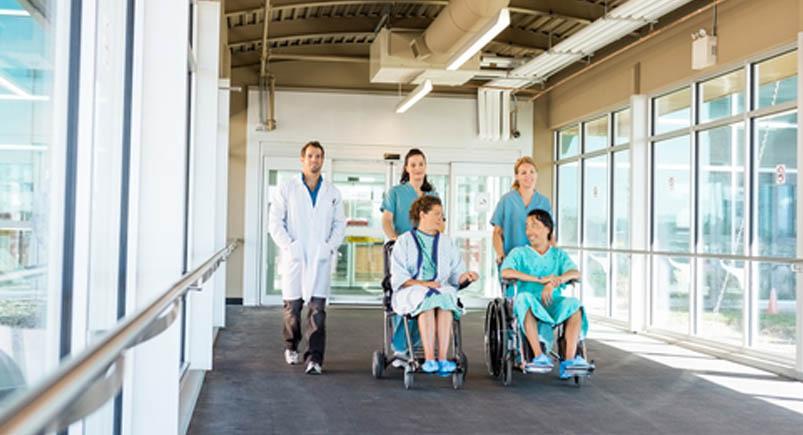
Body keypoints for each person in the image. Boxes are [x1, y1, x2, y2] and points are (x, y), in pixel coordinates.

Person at [268, 141, 346, 375]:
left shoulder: (332, 192)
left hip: (319, 259)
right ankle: (291, 345)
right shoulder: (287, 188)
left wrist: (328, 247)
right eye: (310, 156)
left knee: (318, 312)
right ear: (302, 159)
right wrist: (289, 246)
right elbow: (275, 223)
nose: (315, 160)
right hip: (295, 256)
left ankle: (314, 358)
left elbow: (339, 225)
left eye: (319, 156)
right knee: (292, 310)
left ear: (323, 160)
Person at [389, 196, 478, 374]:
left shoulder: (447, 242)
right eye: (437, 214)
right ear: (422, 214)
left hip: (440, 288)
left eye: (442, 215)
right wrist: (423, 283)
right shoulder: (404, 241)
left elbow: (455, 275)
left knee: (445, 301)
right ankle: (429, 359)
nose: (441, 219)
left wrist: (465, 277)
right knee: (427, 300)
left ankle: (443, 359)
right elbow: (399, 277)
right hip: (412, 289)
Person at [500, 209, 589, 379]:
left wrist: (555, 281)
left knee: (574, 304)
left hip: (552, 302)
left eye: (534, 226)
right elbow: (506, 272)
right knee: (523, 298)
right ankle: (538, 355)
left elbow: (575, 273)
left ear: (547, 229)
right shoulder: (519, 253)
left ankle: (569, 361)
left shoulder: (558, 255)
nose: (529, 231)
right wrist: (538, 279)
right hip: (529, 302)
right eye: (527, 227)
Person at [381, 148, 439, 364]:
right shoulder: (396, 192)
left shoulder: (432, 195)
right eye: (412, 164)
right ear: (406, 168)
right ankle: (400, 346)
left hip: (426, 253)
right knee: (403, 293)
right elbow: (387, 219)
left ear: (425, 167)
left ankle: (416, 343)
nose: (417, 168)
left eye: (421, 164)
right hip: (402, 252)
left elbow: (439, 222)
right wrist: (395, 239)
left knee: (426, 293)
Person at [491, 156, 553, 267]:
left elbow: (550, 234)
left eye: (532, 172)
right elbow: (497, 232)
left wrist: (556, 257)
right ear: (516, 176)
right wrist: (501, 255)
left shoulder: (544, 202)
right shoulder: (506, 200)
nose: (528, 176)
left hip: (538, 261)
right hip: (511, 261)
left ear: (536, 175)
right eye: (523, 173)